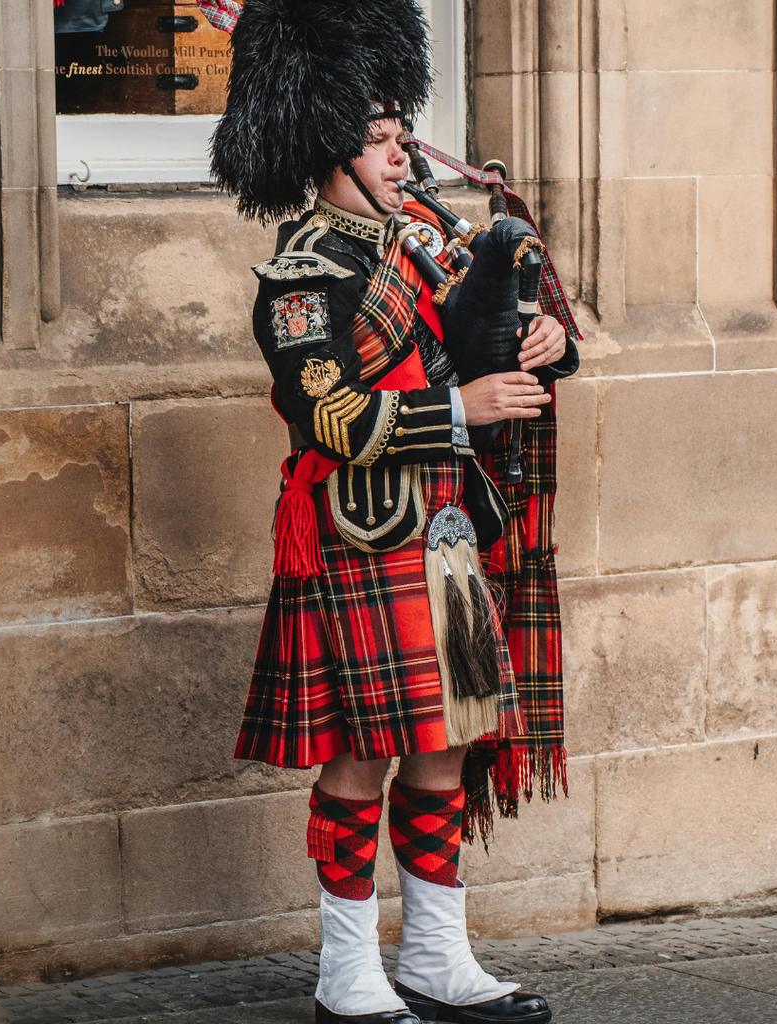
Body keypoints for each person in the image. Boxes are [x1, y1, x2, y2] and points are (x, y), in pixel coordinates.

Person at [211, 2, 580, 1022]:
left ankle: (433, 951)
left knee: (447, 739)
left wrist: (545, 333)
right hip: (359, 533)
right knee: (362, 750)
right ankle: (346, 967)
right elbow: (325, 413)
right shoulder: (301, 277)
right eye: (378, 141)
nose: (400, 154)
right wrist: (454, 409)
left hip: (447, 531)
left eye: (395, 133)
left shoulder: (426, 242)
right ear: (327, 149)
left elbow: (498, 321)